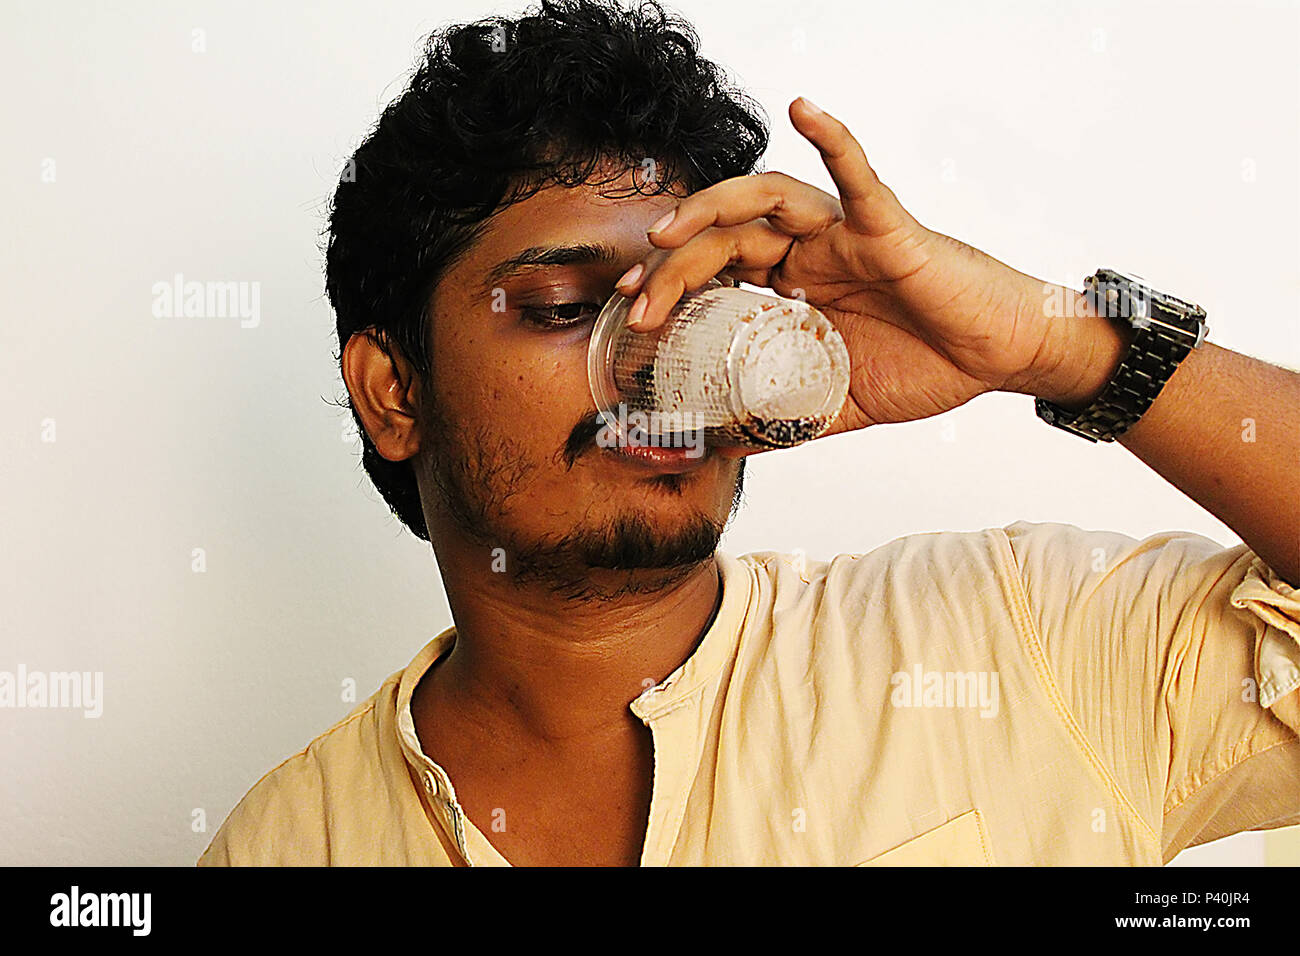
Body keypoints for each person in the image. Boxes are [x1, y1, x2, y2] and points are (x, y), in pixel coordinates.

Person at [198, 0, 1300, 866]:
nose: (659, 365)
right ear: (394, 391)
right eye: (560, 308)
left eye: (694, 299)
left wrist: (1057, 345)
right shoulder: (293, 843)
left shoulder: (1020, 639)